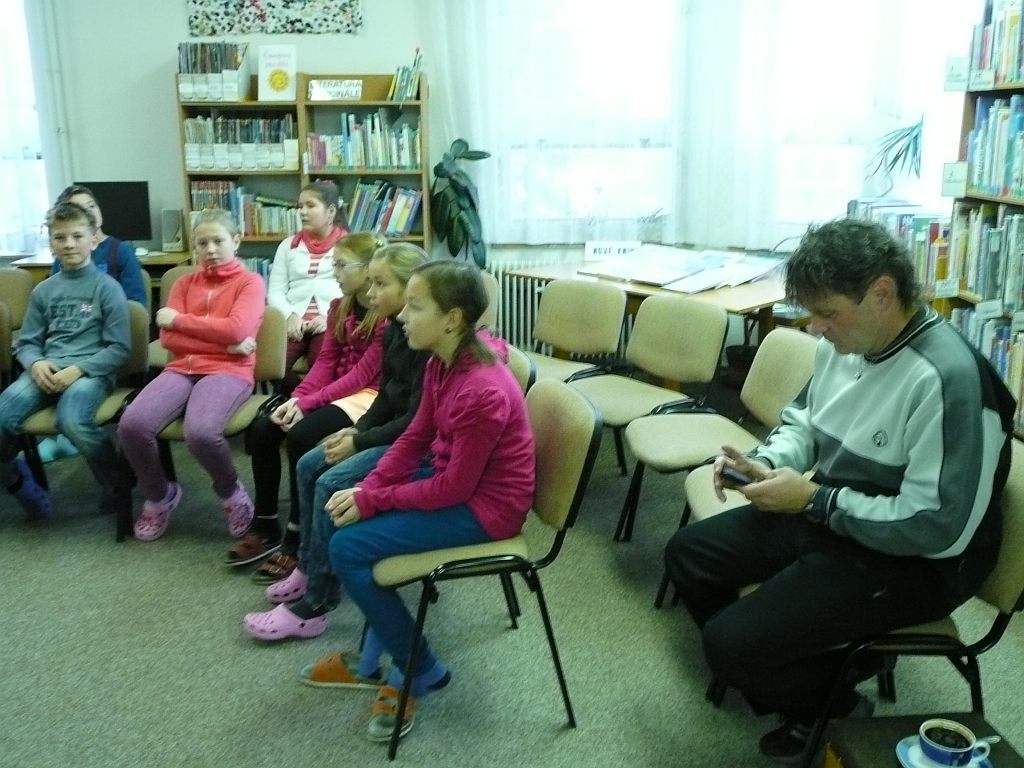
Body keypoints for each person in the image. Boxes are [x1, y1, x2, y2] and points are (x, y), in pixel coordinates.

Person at [664, 218, 1016, 763]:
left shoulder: (947, 379)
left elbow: (938, 528)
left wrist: (813, 500)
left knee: (729, 644)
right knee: (688, 554)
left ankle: (833, 706)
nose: (816, 328)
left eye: (827, 312)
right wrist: (763, 464)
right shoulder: (845, 342)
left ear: (882, 293)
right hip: (837, 513)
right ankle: (826, 671)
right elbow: (805, 422)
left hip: (920, 561)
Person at [316, 261, 534, 743]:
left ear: (452, 319)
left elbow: (454, 490)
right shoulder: (441, 362)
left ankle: (419, 667)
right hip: (454, 483)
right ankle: (372, 661)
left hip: (488, 510)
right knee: (340, 515)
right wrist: (369, 489)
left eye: (414, 307)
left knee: (348, 548)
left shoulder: (482, 390)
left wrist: (375, 500)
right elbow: (416, 437)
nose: (399, 316)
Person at [242, 242, 430, 640]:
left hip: (416, 444)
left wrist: (361, 441)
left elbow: (416, 421)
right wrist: (357, 431)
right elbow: (387, 398)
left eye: (381, 284)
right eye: (371, 283)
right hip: (392, 428)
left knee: (328, 480)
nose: (372, 293)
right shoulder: (396, 327)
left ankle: (317, 602)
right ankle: (308, 565)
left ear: (411, 288)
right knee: (309, 463)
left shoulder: (419, 339)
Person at [231, 232, 389, 571]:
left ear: (367, 269)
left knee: (301, 434)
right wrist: (298, 398)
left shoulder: (384, 316)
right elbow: (326, 362)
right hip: (334, 391)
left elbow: (361, 376)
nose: (334, 272)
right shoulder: (339, 307)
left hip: (367, 397)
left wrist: (309, 403)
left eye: (342, 265)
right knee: (264, 428)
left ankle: (298, 530)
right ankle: (265, 522)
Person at [118, 209, 265, 542]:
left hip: (229, 371)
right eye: (202, 243)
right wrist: (225, 343)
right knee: (132, 425)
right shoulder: (183, 283)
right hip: (182, 368)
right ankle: (160, 496)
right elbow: (168, 341)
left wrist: (179, 321)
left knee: (200, 433)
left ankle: (231, 493)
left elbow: (237, 328)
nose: (210, 249)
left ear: (236, 241)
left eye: (218, 241)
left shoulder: (251, 282)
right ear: (194, 246)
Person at [0, 201, 130, 517]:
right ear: (51, 243)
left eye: (77, 236)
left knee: (71, 421)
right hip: (45, 370)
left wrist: (78, 369)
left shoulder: (107, 289)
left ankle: (116, 483)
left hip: (90, 373)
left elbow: (119, 348)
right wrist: (35, 363)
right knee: (2, 415)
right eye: (60, 237)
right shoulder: (43, 291)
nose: (69, 244)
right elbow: (27, 344)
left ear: (93, 240)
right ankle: (16, 480)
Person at [267, 180, 347, 394]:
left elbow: (353, 291)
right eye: (300, 206)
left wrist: (330, 317)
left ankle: (309, 403)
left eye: (310, 206)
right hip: (295, 322)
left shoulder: (348, 245)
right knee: (273, 364)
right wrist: (289, 315)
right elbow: (275, 290)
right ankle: (294, 399)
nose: (302, 212)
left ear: (331, 211)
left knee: (320, 364)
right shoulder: (288, 246)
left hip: (330, 321)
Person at [51, 184, 148, 306]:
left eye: (91, 206)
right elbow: (53, 299)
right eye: (80, 209)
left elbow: (136, 303)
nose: (90, 212)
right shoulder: (66, 254)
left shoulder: (121, 250)